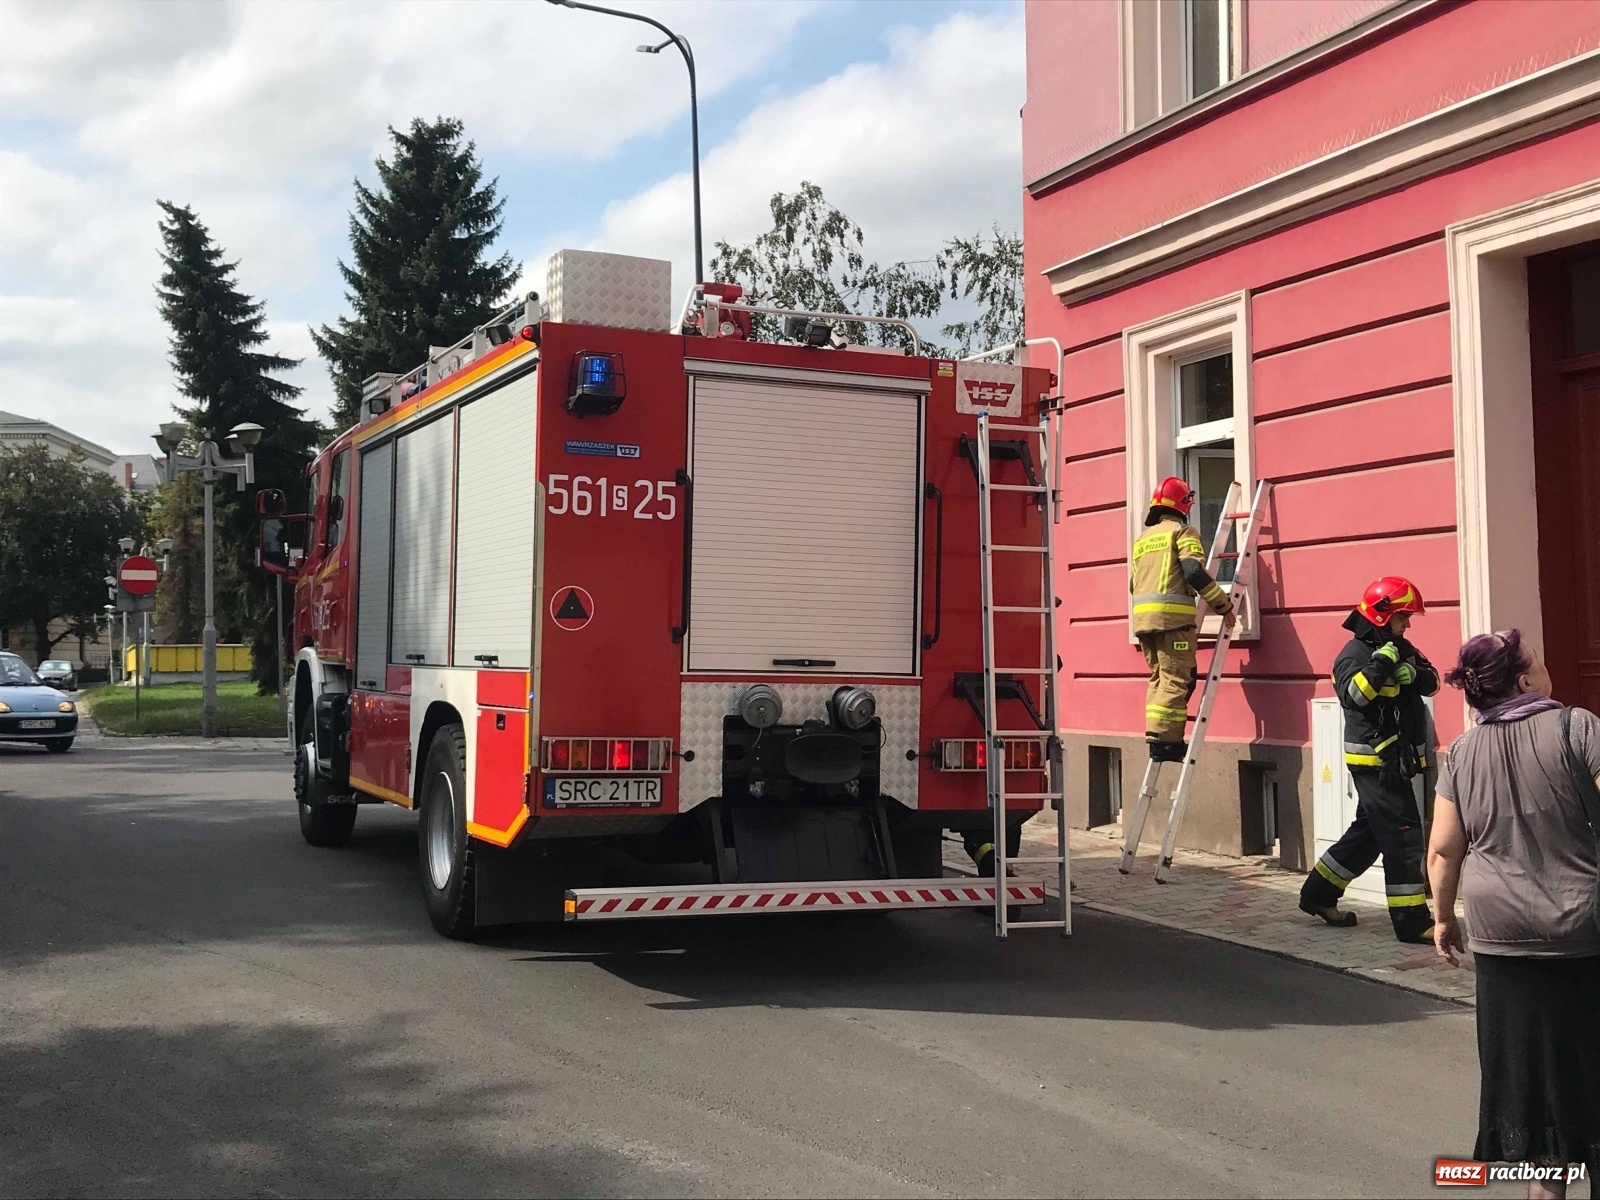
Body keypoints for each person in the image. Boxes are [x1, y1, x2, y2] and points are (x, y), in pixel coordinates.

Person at [1429, 630, 1600, 1198]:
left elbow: (1443, 850)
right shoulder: (1577, 728)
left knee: (1532, 1096)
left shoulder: (1460, 754)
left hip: (1501, 944)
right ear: (1525, 681)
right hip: (1582, 936)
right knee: (1590, 1085)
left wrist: (1443, 918)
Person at [1298, 577, 1438, 941]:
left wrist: (1415, 675)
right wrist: (1381, 665)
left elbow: (1434, 680)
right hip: (1376, 761)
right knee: (1405, 835)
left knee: (1371, 833)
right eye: (1403, 617)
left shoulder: (1400, 646)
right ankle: (1412, 922)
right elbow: (1354, 698)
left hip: (1395, 759)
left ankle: (1319, 894)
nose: (1407, 625)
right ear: (1382, 616)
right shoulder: (1353, 655)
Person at [1129, 476, 1235, 763]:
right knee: (1178, 679)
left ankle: (1157, 737)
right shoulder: (1183, 532)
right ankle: (1168, 743)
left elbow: (1133, 583)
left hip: (1143, 622)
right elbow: (1193, 573)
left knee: (1159, 679)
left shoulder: (1143, 540)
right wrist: (1224, 606)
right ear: (1183, 504)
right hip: (1173, 621)